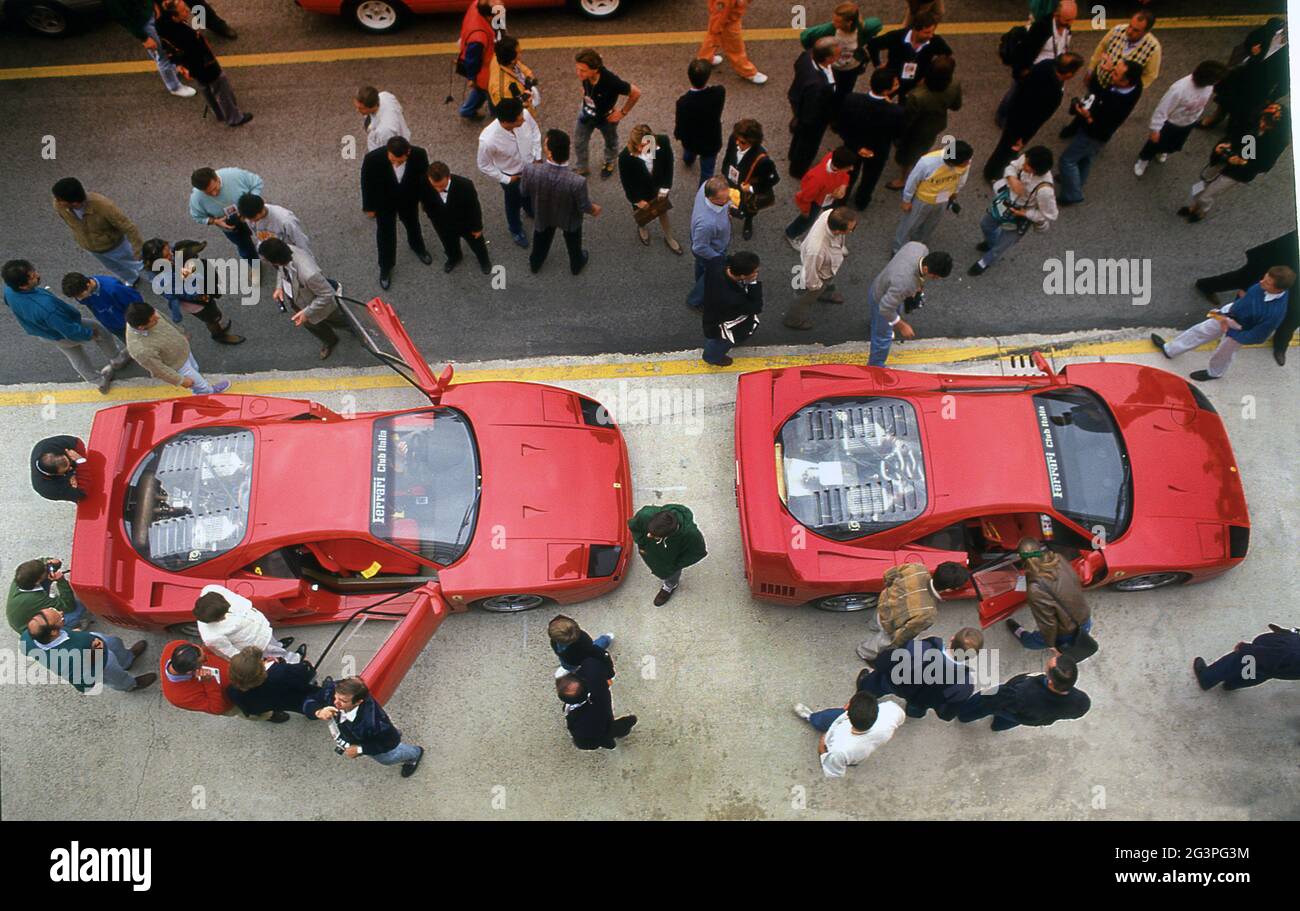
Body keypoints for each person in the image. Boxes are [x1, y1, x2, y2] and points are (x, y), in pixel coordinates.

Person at [2, 259, 128, 393]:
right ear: (23, 286)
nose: (37, 275)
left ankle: (96, 381)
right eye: (32, 276)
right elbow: (70, 331)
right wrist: (89, 334)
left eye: (33, 271)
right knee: (99, 330)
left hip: (46, 333)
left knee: (75, 354)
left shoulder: (9, 291)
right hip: (63, 329)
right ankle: (117, 359)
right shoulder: (47, 308)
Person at [1151, 266, 1295, 382]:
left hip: (1239, 330)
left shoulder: (1274, 313)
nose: (1262, 282)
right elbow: (1254, 295)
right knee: (1200, 330)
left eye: (1268, 282)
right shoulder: (1264, 286)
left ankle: (1214, 373)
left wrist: (1232, 333)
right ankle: (1170, 350)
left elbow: (1258, 336)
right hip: (1229, 313)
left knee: (1224, 353)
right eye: (1265, 277)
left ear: (1278, 289)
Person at [1193, 231, 1299, 366]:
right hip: (1283, 258)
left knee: (1296, 312)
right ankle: (1207, 286)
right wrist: (1247, 288)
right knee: (1245, 279)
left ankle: (1281, 342)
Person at [1180, 103, 1291, 223]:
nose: (1262, 125)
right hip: (1224, 159)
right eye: (1263, 119)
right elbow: (1232, 135)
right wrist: (1223, 146)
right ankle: (1194, 207)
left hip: (1237, 172)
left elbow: (1265, 164)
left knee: (1208, 193)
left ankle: (1202, 210)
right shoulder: (1251, 120)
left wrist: (1243, 162)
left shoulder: (1276, 142)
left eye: (1268, 125)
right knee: (1202, 184)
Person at [984, 52, 1083, 182]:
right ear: (1069, 74)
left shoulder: (1046, 64)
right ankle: (993, 174)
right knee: (1008, 149)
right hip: (1022, 123)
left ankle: (994, 170)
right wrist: (1023, 139)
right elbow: (1038, 119)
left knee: (1004, 145)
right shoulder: (1054, 94)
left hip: (1015, 109)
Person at [1056, 59, 1142, 205]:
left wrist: (1087, 116)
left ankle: (1072, 194)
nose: (1111, 74)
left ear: (1126, 82)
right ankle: (1074, 181)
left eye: (1115, 74)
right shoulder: (1136, 85)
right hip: (1101, 135)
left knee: (1067, 160)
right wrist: (1108, 71)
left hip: (1093, 134)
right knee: (1085, 158)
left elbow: (1099, 125)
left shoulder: (1116, 102)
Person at [155, 0, 251, 127]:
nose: (188, 11)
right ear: (174, 17)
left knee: (206, 88)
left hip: (192, 67)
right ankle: (234, 118)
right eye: (183, 11)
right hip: (203, 64)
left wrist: (181, 66)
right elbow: (196, 50)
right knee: (221, 86)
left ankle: (219, 113)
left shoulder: (162, 26)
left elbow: (169, 50)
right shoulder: (184, 35)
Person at [304, 676, 425, 777]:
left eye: (343, 701)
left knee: (388, 758)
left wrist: (360, 750)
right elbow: (309, 700)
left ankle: (415, 754)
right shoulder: (334, 691)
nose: (335, 702)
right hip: (357, 734)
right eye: (336, 697)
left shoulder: (373, 724)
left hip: (375, 738)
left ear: (358, 702)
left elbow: (390, 743)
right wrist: (318, 712)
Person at [856, 627, 984, 719]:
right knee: (917, 707)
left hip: (894, 683)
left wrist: (879, 664)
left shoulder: (922, 647)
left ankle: (865, 690)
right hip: (921, 700)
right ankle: (913, 713)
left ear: (952, 639)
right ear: (973, 656)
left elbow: (888, 660)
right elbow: (947, 714)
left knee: (876, 684)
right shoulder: (965, 685)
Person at [521, 129, 601, 275]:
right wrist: (593, 209)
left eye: (545, 145)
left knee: (541, 241)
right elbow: (583, 206)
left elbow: (524, 192)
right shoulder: (577, 182)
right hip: (568, 218)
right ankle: (576, 265)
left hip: (543, 214)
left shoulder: (530, 170)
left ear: (550, 153)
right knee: (573, 244)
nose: (543, 146)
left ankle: (535, 264)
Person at [855, 560, 969, 662]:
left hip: (883, 605)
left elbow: (888, 575)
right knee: (881, 641)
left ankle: (873, 626)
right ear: (948, 589)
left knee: (876, 620)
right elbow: (903, 634)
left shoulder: (917, 568)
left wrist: (889, 592)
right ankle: (864, 652)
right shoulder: (928, 613)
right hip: (889, 625)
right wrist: (894, 644)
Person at [969, 146, 1057, 276]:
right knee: (986, 224)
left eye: (1027, 165)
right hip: (1006, 203)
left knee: (1002, 245)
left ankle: (985, 262)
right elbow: (1011, 167)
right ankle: (990, 243)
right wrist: (1012, 178)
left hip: (1019, 216)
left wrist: (1025, 213)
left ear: (1036, 170)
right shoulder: (1027, 159)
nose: (1024, 164)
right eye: (1025, 161)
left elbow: (1051, 214)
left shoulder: (1045, 191)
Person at [22, 606, 155, 692]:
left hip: (92, 641)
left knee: (114, 642)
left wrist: (72, 632)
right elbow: (84, 684)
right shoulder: (66, 661)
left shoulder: (27, 637)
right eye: (60, 617)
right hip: (102, 664)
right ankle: (130, 685)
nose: (61, 612)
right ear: (53, 633)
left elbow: (25, 649)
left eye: (55, 610)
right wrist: (96, 654)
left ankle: (128, 659)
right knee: (116, 676)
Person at [258, 238, 350, 360]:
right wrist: (279, 287)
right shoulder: (285, 251)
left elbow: (327, 294)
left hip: (323, 309)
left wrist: (307, 312)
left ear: (275, 261)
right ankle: (330, 341)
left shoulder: (309, 274)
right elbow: (281, 270)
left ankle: (361, 333)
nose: (266, 262)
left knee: (341, 321)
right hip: (299, 302)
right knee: (313, 326)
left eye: (267, 260)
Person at [361, 135, 433, 289]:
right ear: (388, 152)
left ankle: (418, 247)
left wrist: (425, 201)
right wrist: (369, 207)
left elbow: (424, 180)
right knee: (385, 233)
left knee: (413, 224)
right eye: (393, 160)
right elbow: (366, 183)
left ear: (408, 152)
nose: (396, 163)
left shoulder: (419, 154)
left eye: (400, 162)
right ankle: (385, 267)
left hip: (408, 199)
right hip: (384, 202)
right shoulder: (372, 159)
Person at [140, 238, 245, 344]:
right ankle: (218, 335)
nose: (171, 255)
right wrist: (191, 275)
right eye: (167, 256)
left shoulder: (168, 259)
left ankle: (217, 325)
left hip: (201, 289)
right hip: (196, 301)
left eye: (170, 251)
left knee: (213, 313)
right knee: (211, 317)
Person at [1133, 60, 1226, 177]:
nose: (1216, 83)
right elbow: (1162, 109)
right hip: (1171, 124)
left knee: (1174, 143)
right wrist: (1155, 129)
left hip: (1188, 123)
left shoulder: (1209, 86)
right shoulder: (1179, 89)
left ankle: (1163, 151)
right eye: (1215, 80)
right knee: (1154, 144)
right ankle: (1144, 159)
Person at [865, 243, 952, 367]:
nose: (935, 279)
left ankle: (875, 324)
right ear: (926, 269)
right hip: (882, 300)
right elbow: (885, 308)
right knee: (884, 337)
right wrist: (901, 326)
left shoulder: (918, 247)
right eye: (935, 277)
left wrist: (918, 286)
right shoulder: (905, 284)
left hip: (882, 285)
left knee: (881, 320)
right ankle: (876, 366)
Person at [1204, 17, 1288, 140]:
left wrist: (1272, 97)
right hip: (1245, 72)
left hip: (1261, 85)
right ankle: (1216, 118)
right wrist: (1252, 47)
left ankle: (1232, 132)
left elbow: (1287, 82)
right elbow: (1252, 37)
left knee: (1243, 111)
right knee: (1226, 97)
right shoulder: (1274, 24)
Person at [958, 654, 1090, 731]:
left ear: (1050, 681)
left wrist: (985, 693)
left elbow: (994, 700)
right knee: (1013, 719)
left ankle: (965, 715)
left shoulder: (1023, 693)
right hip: (1033, 717)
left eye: (1047, 667)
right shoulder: (1081, 702)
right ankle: (998, 726)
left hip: (1013, 705)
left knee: (984, 704)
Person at [1004, 538, 1093, 653]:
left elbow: (1048, 624)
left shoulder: (1035, 589)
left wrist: (1051, 644)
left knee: (1030, 642)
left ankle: (1018, 631)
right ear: (1040, 549)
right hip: (1084, 618)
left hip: (1066, 631)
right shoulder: (1058, 559)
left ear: (1021, 557)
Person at [996, 1, 1075, 130]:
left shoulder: (1065, 27)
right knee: (1016, 93)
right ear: (1056, 14)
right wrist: (1023, 72)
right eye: (1067, 19)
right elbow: (1026, 53)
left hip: (1048, 71)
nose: (1070, 23)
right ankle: (1002, 116)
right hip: (1031, 71)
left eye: (1072, 19)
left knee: (1026, 97)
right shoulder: (1041, 29)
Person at [477, 97, 543, 249]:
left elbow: (535, 131)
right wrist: (506, 179)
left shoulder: (524, 114)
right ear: (507, 122)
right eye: (519, 118)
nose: (524, 118)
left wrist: (538, 157)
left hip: (531, 168)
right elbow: (483, 164)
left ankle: (530, 210)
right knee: (512, 204)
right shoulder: (488, 140)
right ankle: (515, 229)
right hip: (512, 176)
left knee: (529, 194)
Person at [51, 178, 144, 286]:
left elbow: (128, 227)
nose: (56, 201)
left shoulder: (104, 206)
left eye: (59, 199)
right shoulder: (59, 206)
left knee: (137, 263)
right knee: (113, 266)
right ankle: (132, 278)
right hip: (91, 247)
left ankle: (158, 279)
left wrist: (138, 249)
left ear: (74, 202)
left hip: (115, 245)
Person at [124, 301, 230, 395]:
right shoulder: (140, 349)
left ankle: (201, 387)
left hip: (184, 351)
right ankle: (208, 393)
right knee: (201, 387)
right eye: (153, 320)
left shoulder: (150, 314)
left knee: (195, 370)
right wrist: (180, 380)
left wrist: (180, 332)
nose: (157, 317)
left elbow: (167, 320)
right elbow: (159, 370)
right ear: (141, 327)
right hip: (179, 367)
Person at [792, 691, 905, 778]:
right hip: (858, 755)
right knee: (852, 761)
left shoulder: (839, 749)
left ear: (847, 709)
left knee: (824, 719)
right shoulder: (891, 710)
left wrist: (822, 746)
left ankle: (812, 718)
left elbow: (833, 771)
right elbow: (900, 718)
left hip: (838, 749)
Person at [835, 67, 904, 210]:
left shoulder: (852, 99)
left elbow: (841, 126)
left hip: (852, 147)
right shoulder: (896, 112)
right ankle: (861, 202)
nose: (898, 85)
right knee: (870, 179)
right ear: (887, 91)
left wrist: (858, 147)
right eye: (896, 84)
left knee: (848, 175)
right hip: (878, 151)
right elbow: (898, 134)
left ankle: (841, 199)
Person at [889, 53, 961, 189]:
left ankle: (903, 179)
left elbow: (908, 120)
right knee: (923, 147)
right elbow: (956, 106)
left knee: (906, 155)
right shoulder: (954, 85)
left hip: (916, 130)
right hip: (936, 125)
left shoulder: (917, 96)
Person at [102, 0, 198, 97]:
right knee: (162, 55)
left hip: (150, 14)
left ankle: (174, 70)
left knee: (167, 46)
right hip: (142, 23)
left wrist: (153, 5)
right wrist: (144, 38)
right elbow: (121, 17)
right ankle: (175, 87)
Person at [784, 207, 857, 330]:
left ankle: (825, 294)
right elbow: (810, 274)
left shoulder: (830, 214)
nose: (853, 230)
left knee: (828, 283)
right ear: (838, 231)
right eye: (851, 229)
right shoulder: (817, 249)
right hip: (819, 275)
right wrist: (816, 287)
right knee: (804, 299)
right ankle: (793, 320)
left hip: (828, 267)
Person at [573, 49, 641, 178]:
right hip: (586, 113)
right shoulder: (587, 75)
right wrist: (585, 93)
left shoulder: (611, 81)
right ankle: (582, 167)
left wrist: (622, 112)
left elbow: (636, 92)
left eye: (583, 70)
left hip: (606, 118)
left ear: (595, 70)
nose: (578, 73)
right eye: (577, 69)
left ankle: (609, 162)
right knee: (579, 142)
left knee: (611, 142)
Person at [893, 139, 971, 253]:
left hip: (943, 199)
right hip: (923, 200)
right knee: (909, 225)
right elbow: (913, 180)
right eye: (965, 162)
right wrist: (907, 200)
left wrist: (955, 191)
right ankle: (898, 248)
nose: (968, 163)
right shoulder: (927, 162)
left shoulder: (965, 159)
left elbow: (962, 177)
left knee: (930, 225)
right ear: (951, 163)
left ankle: (918, 247)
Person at [798, 2, 884, 104]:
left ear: (849, 22)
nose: (834, 23)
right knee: (831, 91)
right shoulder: (831, 28)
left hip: (852, 67)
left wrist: (863, 28)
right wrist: (815, 52)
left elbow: (877, 24)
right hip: (834, 67)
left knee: (846, 91)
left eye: (838, 21)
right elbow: (805, 36)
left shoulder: (861, 29)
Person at [194, 584, 301, 662]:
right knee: (274, 653)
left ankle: (279, 645)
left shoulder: (211, 589)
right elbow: (231, 653)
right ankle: (292, 659)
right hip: (256, 643)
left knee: (273, 642)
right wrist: (252, 661)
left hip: (261, 628)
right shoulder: (211, 637)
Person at [617, 124, 682, 252]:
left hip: (659, 189)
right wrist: (636, 200)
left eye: (649, 143)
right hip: (640, 193)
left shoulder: (663, 141)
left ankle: (669, 237)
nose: (647, 148)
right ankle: (642, 227)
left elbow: (669, 167)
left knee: (663, 212)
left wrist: (665, 188)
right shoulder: (625, 158)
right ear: (634, 143)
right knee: (642, 215)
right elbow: (627, 183)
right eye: (642, 146)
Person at [627, 503, 708, 605]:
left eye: (654, 536)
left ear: (669, 535)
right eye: (649, 532)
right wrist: (641, 542)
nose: (648, 535)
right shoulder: (645, 514)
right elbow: (634, 526)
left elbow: (697, 553)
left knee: (672, 576)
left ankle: (669, 586)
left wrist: (674, 566)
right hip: (650, 554)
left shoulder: (691, 536)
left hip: (670, 563)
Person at [421, 161, 492, 275]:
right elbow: (425, 202)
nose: (438, 190)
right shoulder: (424, 183)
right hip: (442, 224)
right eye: (435, 186)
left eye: (442, 186)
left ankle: (484, 261)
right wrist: (431, 216)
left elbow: (474, 208)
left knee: (477, 244)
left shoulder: (465, 185)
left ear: (448, 177)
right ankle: (454, 257)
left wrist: (477, 227)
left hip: (465, 223)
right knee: (448, 244)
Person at [786, 38, 840, 179]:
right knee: (808, 144)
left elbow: (797, 65)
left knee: (799, 136)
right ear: (828, 58)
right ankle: (798, 170)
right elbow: (812, 111)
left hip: (799, 102)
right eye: (837, 55)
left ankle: (793, 155)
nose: (839, 56)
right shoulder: (818, 85)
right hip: (813, 118)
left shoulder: (807, 56)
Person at [867, 10, 952, 99]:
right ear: (915, 30)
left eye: (932, 32)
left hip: (916, 81)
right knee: (883, 104)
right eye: (926, 32)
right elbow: (873, 45)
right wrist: (878, 65)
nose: (931, 36)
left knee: (908, 107)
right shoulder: (896, 36)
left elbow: (947, 56)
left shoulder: (935, 41)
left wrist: (929, 76)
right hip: (893, 78)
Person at [557, 658, 638, 750]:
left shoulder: (571, 706)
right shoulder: (596, 696)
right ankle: (609, 742)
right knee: (611, 730)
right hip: (596, 731)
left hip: (583, 737)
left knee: (600, 736)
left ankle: (608, 743)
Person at [187, 166, 264, 261]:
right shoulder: (196, 198)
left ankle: (275, 257)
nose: (214, 194)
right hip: (230, 226)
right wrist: (215, 221)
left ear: (217, 178)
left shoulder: (234, 175)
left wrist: (250, 203)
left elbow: (257, 182)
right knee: (245, 248)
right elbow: (197, 217)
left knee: (267, 236)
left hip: (252, 216)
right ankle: (256, 267)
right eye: (208, 193)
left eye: (215, 188)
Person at [1194, 623, 1300, 691]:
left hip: (1269, 654)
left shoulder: (1291, 650)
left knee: (1238, 661)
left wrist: (1245, 648)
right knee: (1260, 673)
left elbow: (1273, 654)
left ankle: (1206, 678)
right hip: (1285, 669)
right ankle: (1232, 684)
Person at [701, 250, 763, 367]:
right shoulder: (734, 299)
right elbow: (755, 307)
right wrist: (753, 283)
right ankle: (711, 357)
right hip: (723, 323)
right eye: (754, 272)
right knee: (721, 341)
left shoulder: (716, 264)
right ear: (743, 276)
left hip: (711, 306)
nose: (757, 272)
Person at [721, 119, 779, 240]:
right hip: (732, 181)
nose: (737, 143)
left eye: (742, 142)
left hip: (746, 189)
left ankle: (748, 221)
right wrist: (725, 172)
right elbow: (728, 156)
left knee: (748, 208)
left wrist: (751, 188)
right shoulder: (735, 138)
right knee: (729, 202)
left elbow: (773, 180)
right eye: (736, 139)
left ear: (752, 143)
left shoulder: (763, 161)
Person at [785, 146, 856, 245]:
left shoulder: (834, 158)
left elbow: (845, 175)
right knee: (807, 221)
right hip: (816, 202)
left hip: (829, 198)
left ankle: (831, 236)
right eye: (848, 167)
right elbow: (804, 197)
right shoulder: (817, 179)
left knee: (834, 217)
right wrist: (806, 211)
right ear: (836, 167)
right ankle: (791, 234)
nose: (852, 168)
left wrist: (843, 186)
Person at [226, 645, 320, 718]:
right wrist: (305, 664)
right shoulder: (280, 672)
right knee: (314, 699)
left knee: (299, 707)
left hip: (276, 704)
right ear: (261, 670)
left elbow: (249, 709)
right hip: (299, 695)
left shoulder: (232, 691)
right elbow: (305, 674)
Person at [1081, 10, 1160, 94]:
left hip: (1118, 95)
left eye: (1136, 30)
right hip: (1099, 81)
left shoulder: (1153, 48)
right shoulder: (1117, 30)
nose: (1129, 32)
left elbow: (1150, 75)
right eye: (1130, 26)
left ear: (1146, 32)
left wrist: (1129, 90)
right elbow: (1101, 48)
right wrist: (1090, 70)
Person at [674, 59, 727, 184]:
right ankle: (703, 196)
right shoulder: (718, 93)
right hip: (711, 141)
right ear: (708, 76)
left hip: (691, 140)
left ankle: (688, 160)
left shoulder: (683, 102)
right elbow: (718, 88)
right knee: (707, 174)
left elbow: (680, 124)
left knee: (688, 154)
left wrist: (678, 135)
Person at [160, 641, 247, 717]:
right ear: (191, 672)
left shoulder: (174, 646)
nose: (207, 657)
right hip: (238, 699)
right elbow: (218, 709)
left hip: (241, 673)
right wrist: (209, 682)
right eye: (204, 660)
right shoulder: (178, 697)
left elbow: (207, 649)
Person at [7, 557, 89, 633]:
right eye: (45, 571)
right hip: (28, 629)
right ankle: (68, 629)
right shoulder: (36, 599)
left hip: (24, 614)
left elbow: (40, 562)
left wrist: (51, 562)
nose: (47, 570)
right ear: (37, 582)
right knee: (79, 608)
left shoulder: (22, 577)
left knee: (47, 577)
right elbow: (69, 606)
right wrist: (61, 582)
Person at [687, 177, 732, 309]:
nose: (728, 199)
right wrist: (718, 258)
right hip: (712, 251)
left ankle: (700, 278)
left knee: (702, 269)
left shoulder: (706, 186)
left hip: (705, 240)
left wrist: (728, 207)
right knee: (710, 275)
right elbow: (699, 247)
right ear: (712, 199)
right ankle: (696, 301)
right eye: (724, 199)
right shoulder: (707, 223)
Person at [697, 0, 766, 83]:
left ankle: (704, 60)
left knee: (712, 39)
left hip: (726, 19)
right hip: (728, 22)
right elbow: (720, 14)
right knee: (736, 49)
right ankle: (747, 72)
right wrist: (716, 29)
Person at [62, 272, 139, 345]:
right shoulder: (84, 292)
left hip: (132, 324)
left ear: (88, 285)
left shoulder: (113, 288)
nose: (79, 299)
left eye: (80, 295)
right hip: (113, 326)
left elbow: (136, 304)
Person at [237, 193, 313, 258]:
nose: (251, 221)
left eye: (254, 219)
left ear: (260, 211)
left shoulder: (286, 220)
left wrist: (308, 261)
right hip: (275, 255)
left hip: (292, 254)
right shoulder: (249, 216)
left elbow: (300, 241)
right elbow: (257, 236)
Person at [456, 0, 496, 120]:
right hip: (483, 69)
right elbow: (472, 60)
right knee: (490, 91)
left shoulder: (476, 6)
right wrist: (472, 78)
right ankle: (497, 115)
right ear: (489, 16)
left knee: (481, 91)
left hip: (482, 66)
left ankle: (468, 110)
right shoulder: (479, 38)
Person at [487, 35, 539, 117]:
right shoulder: (503, 90)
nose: (521, 51)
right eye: (518, 52)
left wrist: (529, 76)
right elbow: (511, 116)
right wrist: (526, 105)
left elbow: (521, 67)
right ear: (512, 60)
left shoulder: (501, 58)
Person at [547, 615, 614, 677]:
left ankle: (606, 639)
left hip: (576, 659)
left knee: (597, 646)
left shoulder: (584, 645)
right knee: (566, 663)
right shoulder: (561, 623)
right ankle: (567, 667)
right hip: (570, 658)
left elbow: (596, 652)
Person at [30, 437, 89, 504]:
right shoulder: (47, 489)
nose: (71, 468)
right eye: (67, 470)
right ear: (52, 474)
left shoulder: (48, 444)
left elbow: (78, 442)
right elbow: (82, 493)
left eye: (69, 459)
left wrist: (80, 459)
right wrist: (81, 463)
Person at [354, 85, 410, 153]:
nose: (357, 110)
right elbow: (400, 109)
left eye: (361, 108)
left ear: (372, 106)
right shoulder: (385, 96)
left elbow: (387, 155)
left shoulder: (385, 131)